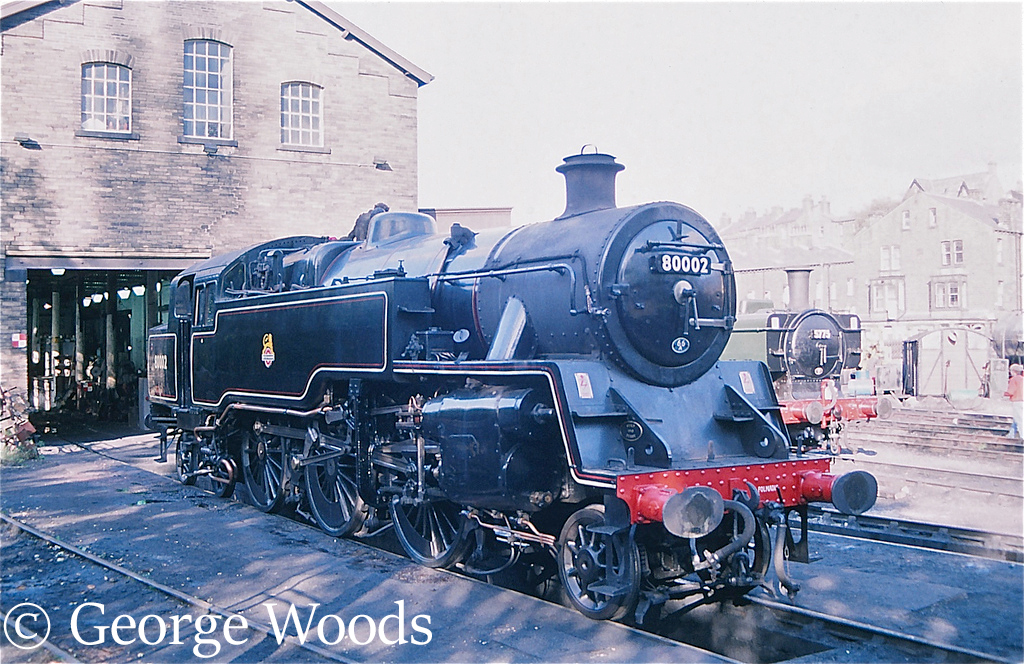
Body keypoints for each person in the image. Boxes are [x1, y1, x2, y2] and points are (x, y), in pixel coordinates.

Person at [1005, 363, 1023, 438]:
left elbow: (1011, 391)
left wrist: (1004, 393)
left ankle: (1022, 436)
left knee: (1019, 419)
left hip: (1017, 401)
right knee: (1019, 418)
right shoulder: (1022, 379)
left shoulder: (1013, 379)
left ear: (1013, 371)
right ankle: (1011, 434)